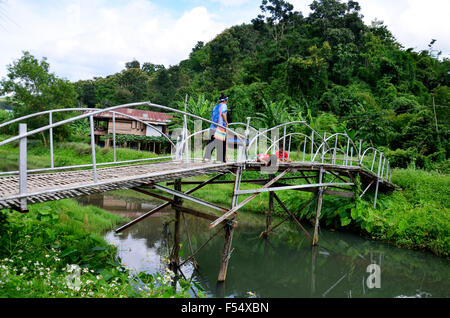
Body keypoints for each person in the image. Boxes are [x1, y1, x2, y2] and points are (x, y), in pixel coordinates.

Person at [203, 93, 229, 162]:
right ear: (225, 100)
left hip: (213, 126)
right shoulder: (224, 105)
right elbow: (223, 114)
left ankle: (206, 157)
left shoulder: (215, 107)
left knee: (211, 142)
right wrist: (226, 123)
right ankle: (222, 159)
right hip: (219, 127)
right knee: (222, 143)